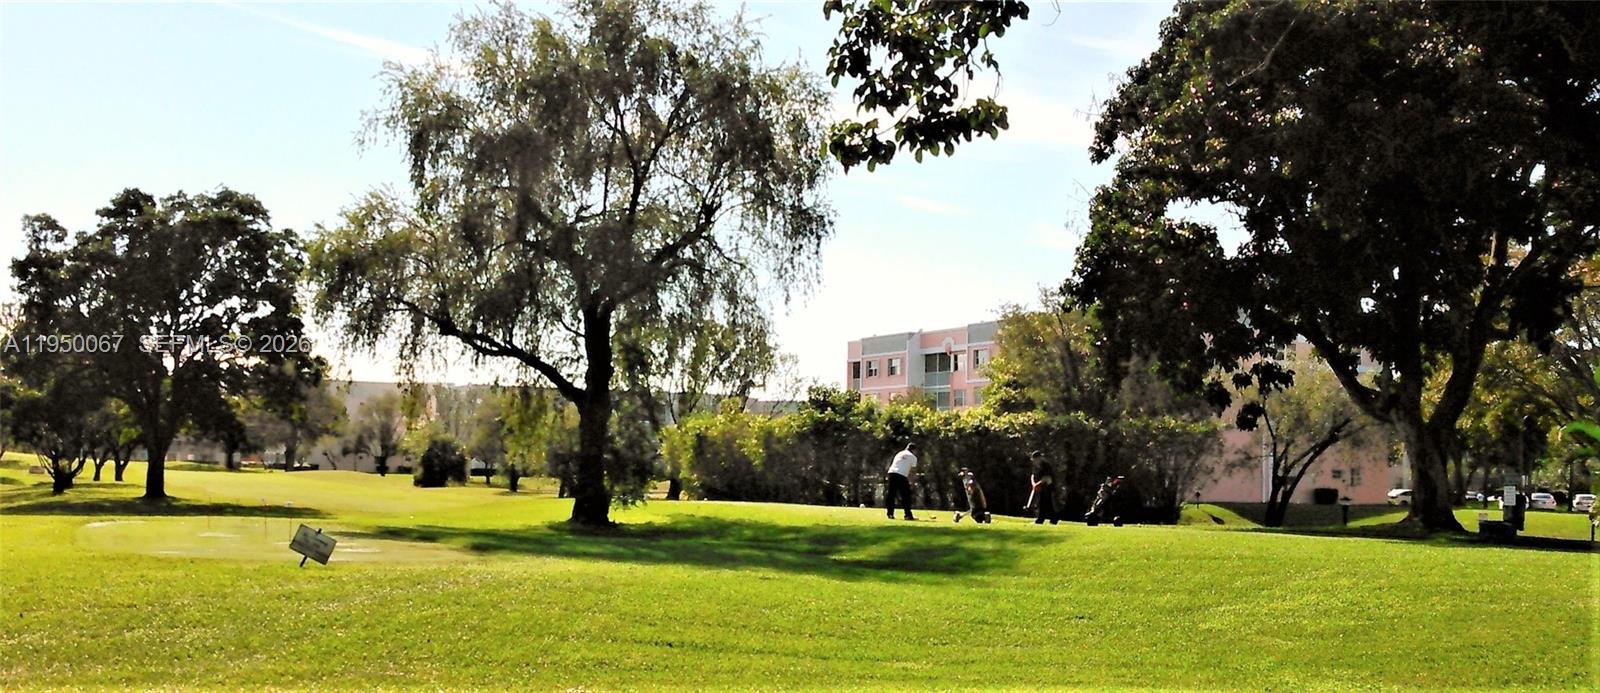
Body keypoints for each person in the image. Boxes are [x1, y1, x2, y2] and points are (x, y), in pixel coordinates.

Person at [884, 442, 918, 520]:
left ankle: (890, 514)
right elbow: (912, 471)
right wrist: (911, 482)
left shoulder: (899, 453)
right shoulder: (913, 457)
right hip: (901, 475)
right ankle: (908, 515)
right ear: (914, 450)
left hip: (892, 473)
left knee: (891, 494)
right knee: (906, 496)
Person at [1029, 450, 1058, 525]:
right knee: (1045, 503)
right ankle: (1050, 519)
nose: (1035, 461)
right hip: (1042, 487)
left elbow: (1046, 478)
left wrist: (1037, 484)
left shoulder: (1046, 465)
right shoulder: (1036, 466)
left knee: (1046, 503)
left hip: (1048, 486)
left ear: (1040, 458)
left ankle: (1043, 519)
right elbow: (1033, 475)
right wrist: (1033, 484)